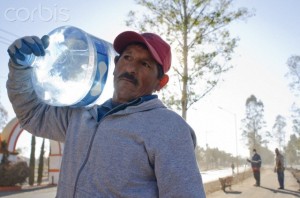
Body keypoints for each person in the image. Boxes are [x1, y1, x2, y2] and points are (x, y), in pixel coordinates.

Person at [6, 31, 206, 197]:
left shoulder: (168, 127)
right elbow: (32, 115)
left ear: (160, 83)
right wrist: (20, 67)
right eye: (127, 58)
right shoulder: (82, 116)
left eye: (145, 64)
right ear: (116, 64)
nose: (131, 68)